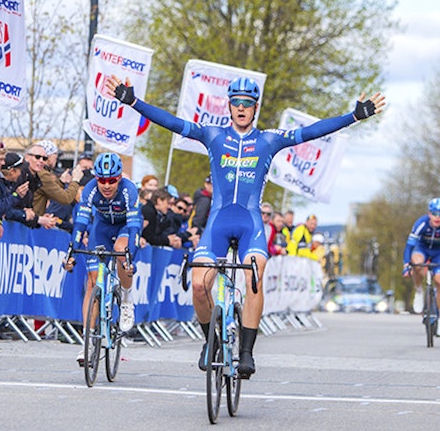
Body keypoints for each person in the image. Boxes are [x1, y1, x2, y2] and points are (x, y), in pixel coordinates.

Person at [106, 72, 384, 377]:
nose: (241, 108)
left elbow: (313, 131)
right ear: (228, 106)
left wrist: (354, 116)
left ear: (255, 108)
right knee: (199, 286)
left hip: (250, 224)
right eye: (236, 103)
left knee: (254, 276)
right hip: (218, 223)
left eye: (247, 103)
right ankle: (209, 339)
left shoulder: (268, 139)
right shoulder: (212, 135)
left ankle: (247, 352)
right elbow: (171, 122)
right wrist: (132, 101)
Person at [65, 153, 141, 361]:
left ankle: (126, 299)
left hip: (126, 226)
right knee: (91, 281)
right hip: (102, 227)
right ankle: (87, 342)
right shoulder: (89, 190)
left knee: (120, 250)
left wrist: (129, 258)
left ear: (119, 178)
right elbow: (80, 224)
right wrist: (71, 252)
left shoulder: (129, 190)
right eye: (102, 180)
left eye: (111, 180)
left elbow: (134, 227)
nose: (106, 185)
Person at [403, 198, 440, 331]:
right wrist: (406, 265)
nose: (437, 218)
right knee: (417, 263)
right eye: (434, 214)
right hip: (423, 249)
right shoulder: (421, 222)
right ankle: (419, 291)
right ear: (429, 213)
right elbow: (410, 245)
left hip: (438, 252)